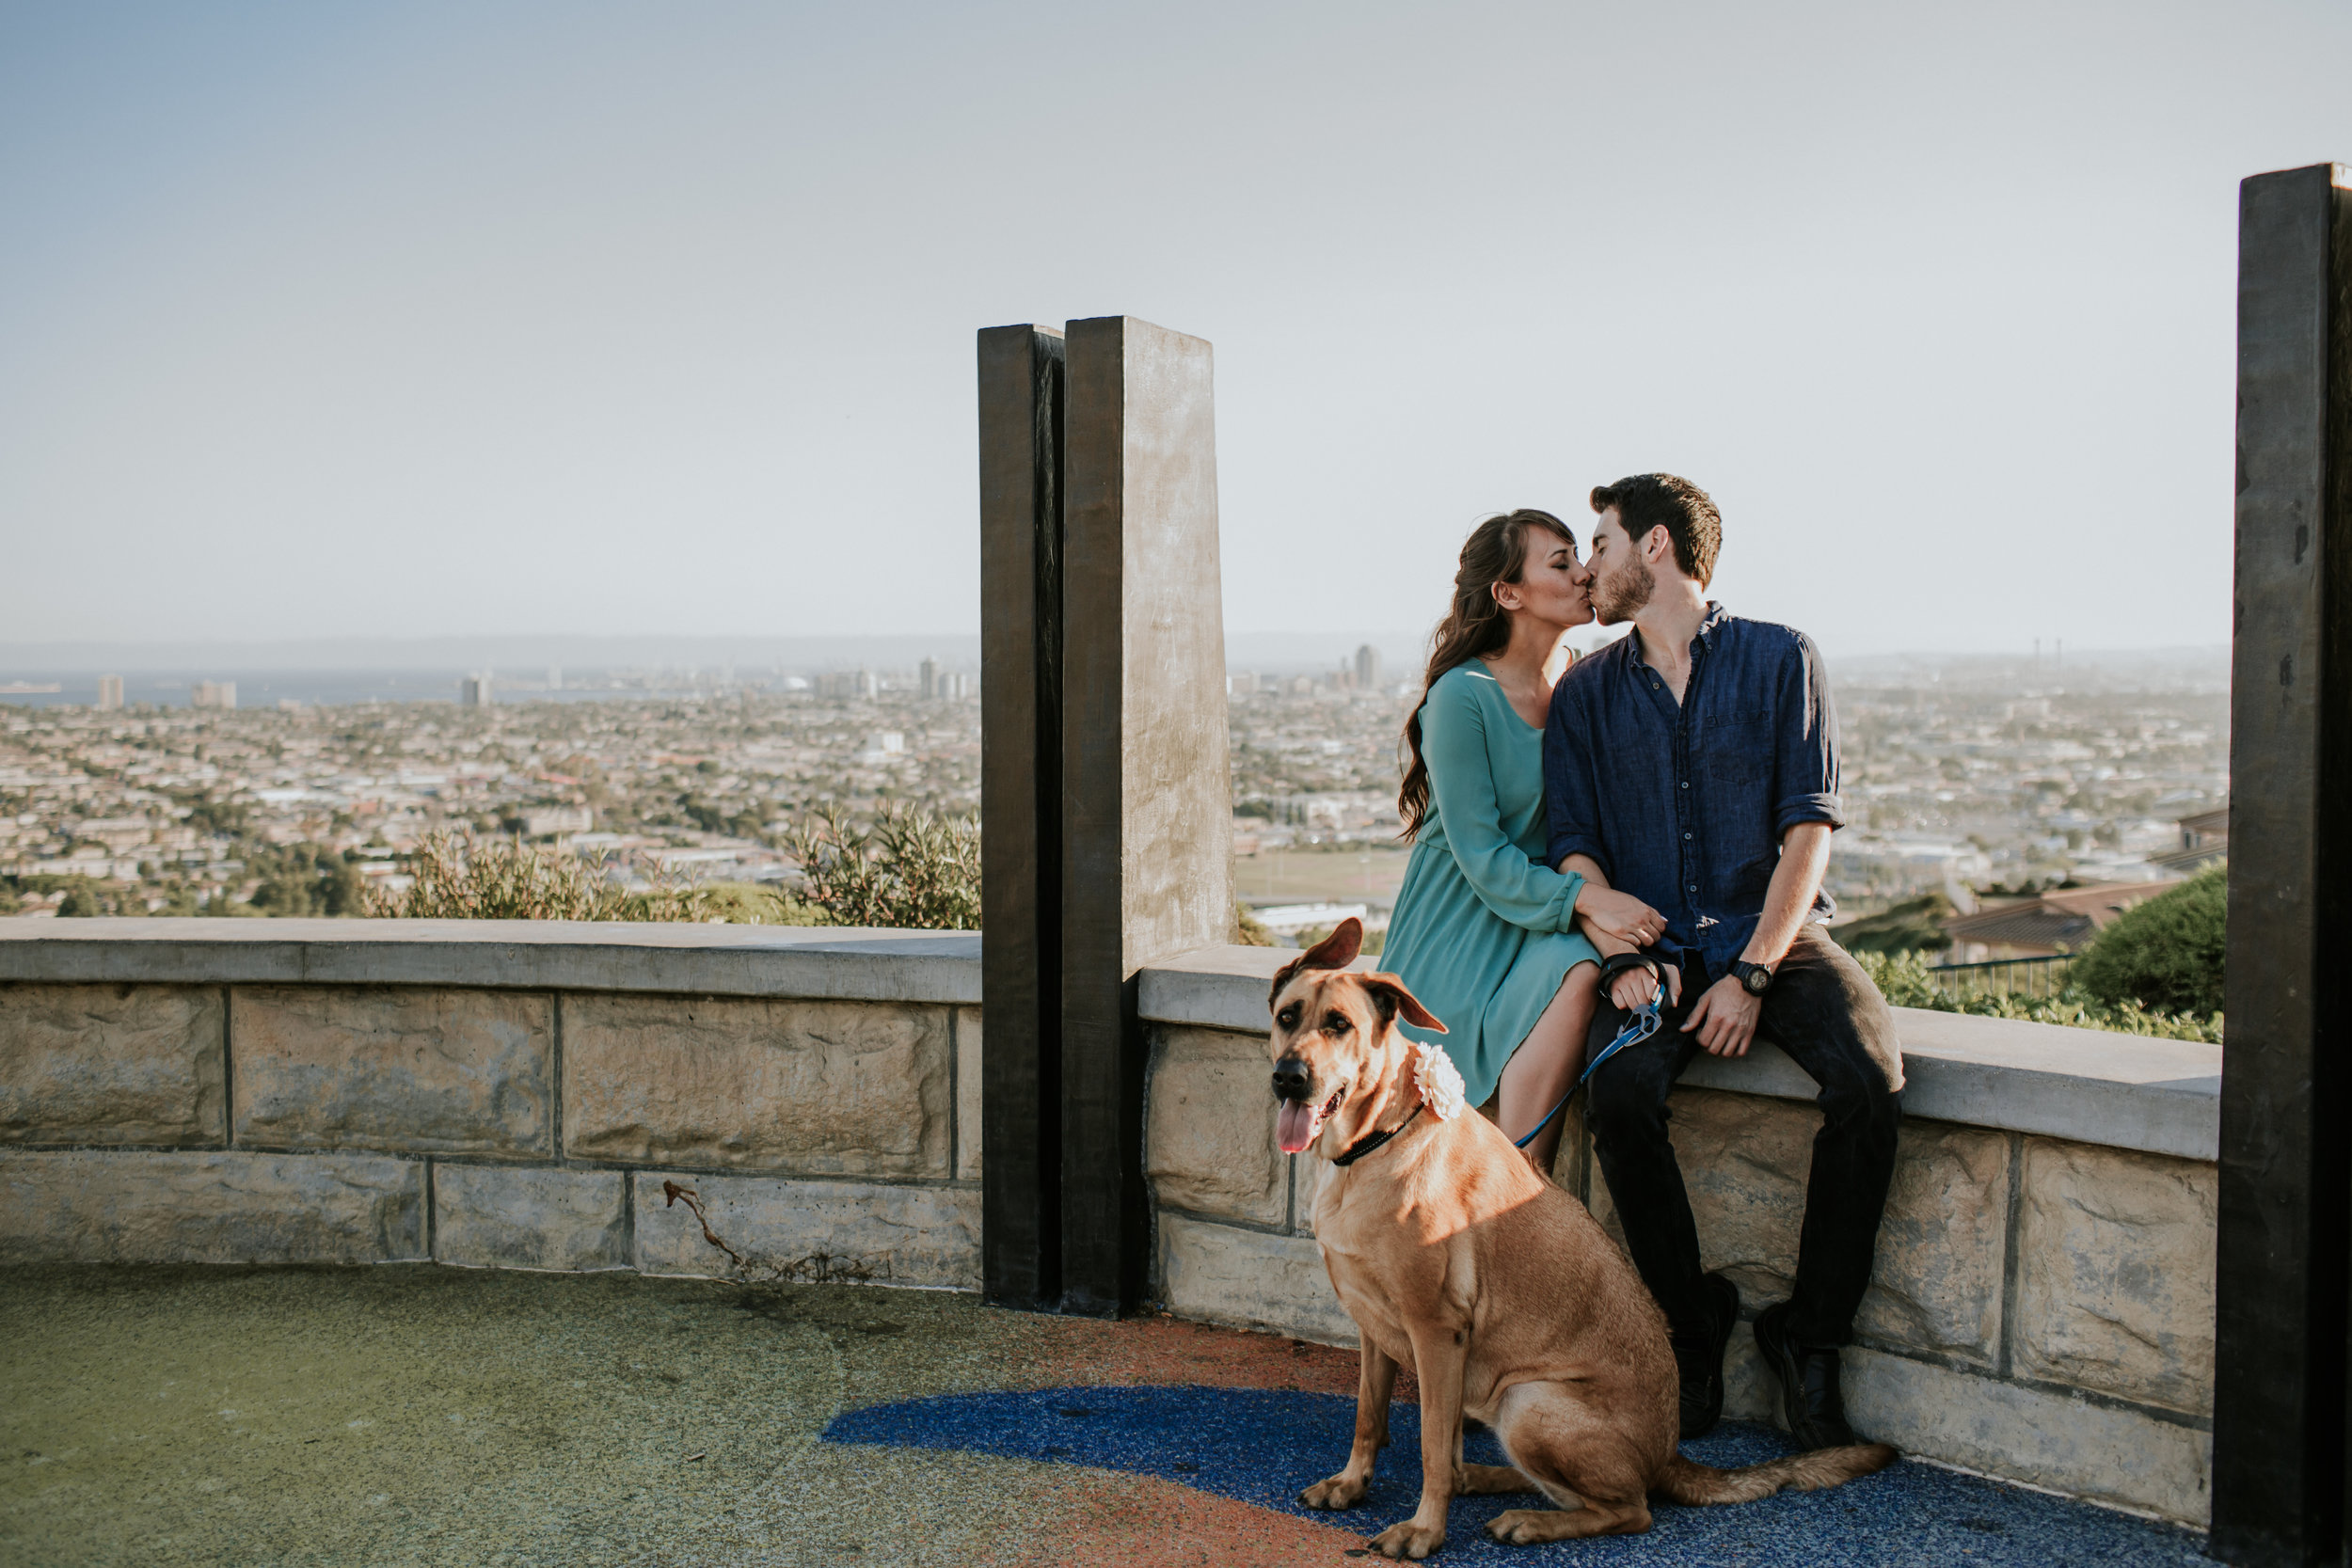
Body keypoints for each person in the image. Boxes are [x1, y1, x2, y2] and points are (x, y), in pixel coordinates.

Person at [1542, 473, 1903, 1450]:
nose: (1592, 566)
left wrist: (1749, 971)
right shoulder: (1584, 692)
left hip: (1774, 938)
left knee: (1867, 1082)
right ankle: (1690, 1326)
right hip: (1653, 951)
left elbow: (1806, 831)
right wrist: (1616, 952)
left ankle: (1808, 1334)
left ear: (1655, 546)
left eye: (1603, 542)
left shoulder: (1780, 656)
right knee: (1617, 1096)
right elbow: (1574, 842)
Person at [1379, 509, 1669, 1174]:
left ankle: (1518, 1191)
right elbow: (1481, 857)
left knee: (1581, 969)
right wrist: (1593, 903)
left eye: (1579, 557)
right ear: (1508, 593)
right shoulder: (1462, 696)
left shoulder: (1584, 678)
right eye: (1560, 563)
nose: (1583, 573)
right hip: (1462, 923)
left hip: (1543, 915)